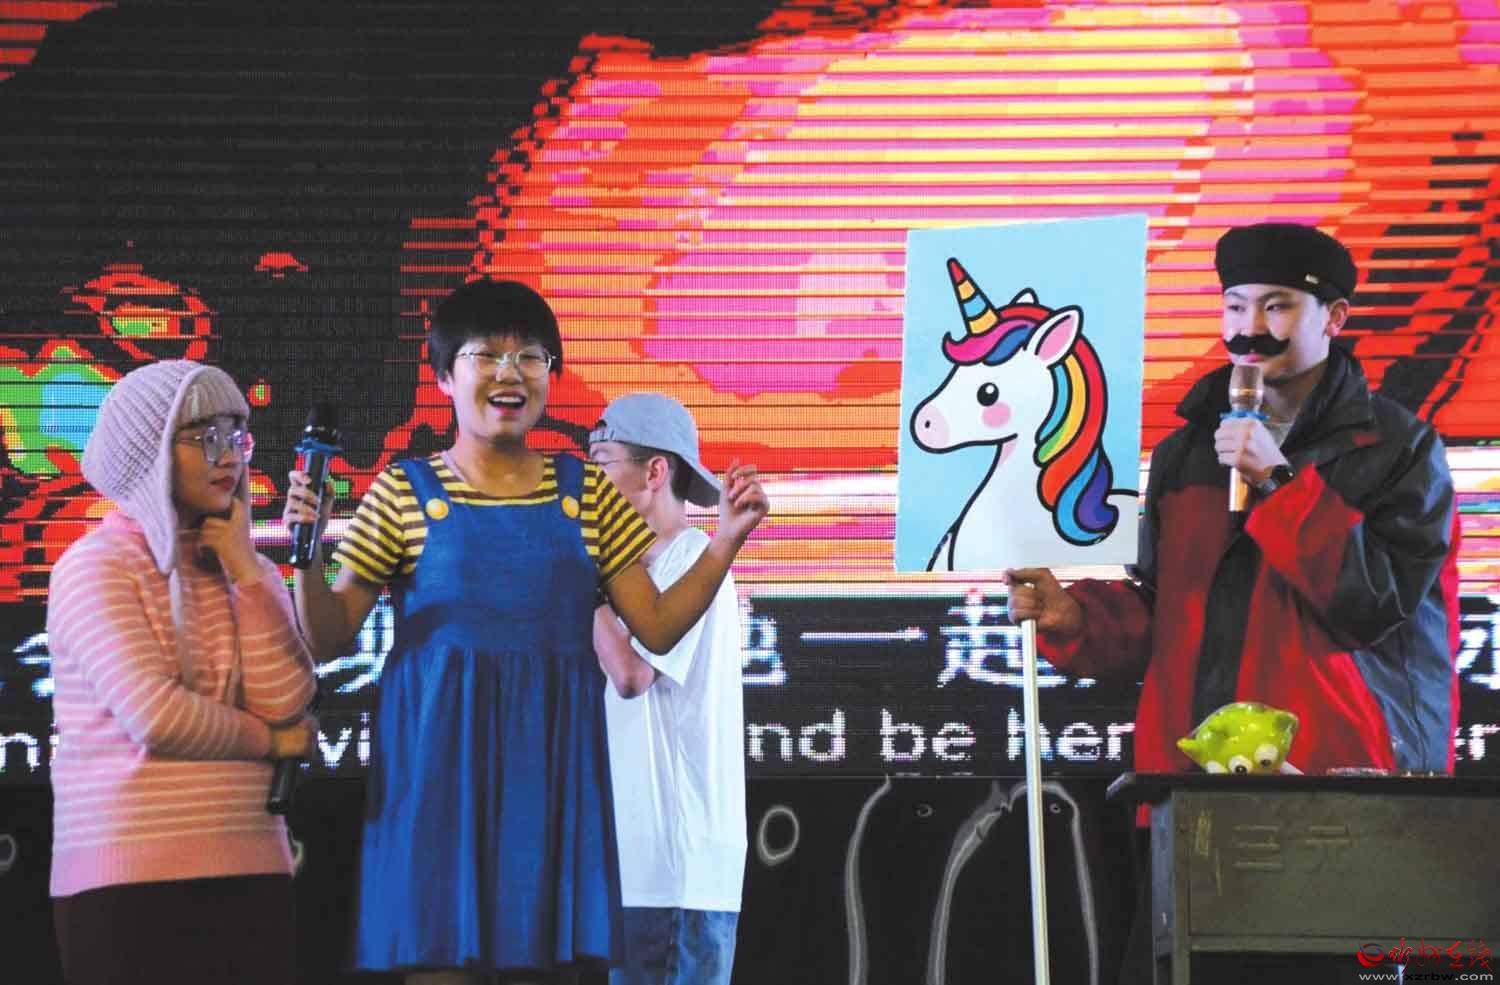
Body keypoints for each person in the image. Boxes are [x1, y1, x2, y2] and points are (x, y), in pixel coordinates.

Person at [281, 279, 767, 984]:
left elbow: (657, 627)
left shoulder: (588, 492)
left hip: (552, 778)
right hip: (436, 777)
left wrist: (724, 541)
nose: (510, 374)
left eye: (531, 357)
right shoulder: (401, 490)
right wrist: (308, 553)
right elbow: (327, 638)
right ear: (444, 377)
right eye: (486, 355)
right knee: (440, 964)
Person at [1007, 221, 1459, 781]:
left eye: (1277, 307)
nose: (1250, 329)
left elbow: (1375, 606)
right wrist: (1076, 619)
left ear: (1335, 317)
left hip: (1344, 776)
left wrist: (1278, 481)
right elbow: (1166, 611)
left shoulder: (1400, 449)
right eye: (1236, 307)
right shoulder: (1185, 452)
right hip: (1193, 776)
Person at [46, 360, 318, 985]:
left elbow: (287, 701)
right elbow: (156, 715)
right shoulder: (95, 565)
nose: (229, 457)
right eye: (204, 437)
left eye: (236, 435)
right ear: (149, 451)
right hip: (126, 881)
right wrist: (270, 743)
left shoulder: (249, 570)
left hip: (254, 866)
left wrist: (247, 570)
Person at [588, 394, 747, 985]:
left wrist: (581, 585)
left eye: (602, 464)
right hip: (640, 870)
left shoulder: (690, 557)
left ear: (655, 471)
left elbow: (631, 675)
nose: (589, 485)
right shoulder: (635, 573)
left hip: (674, 871)